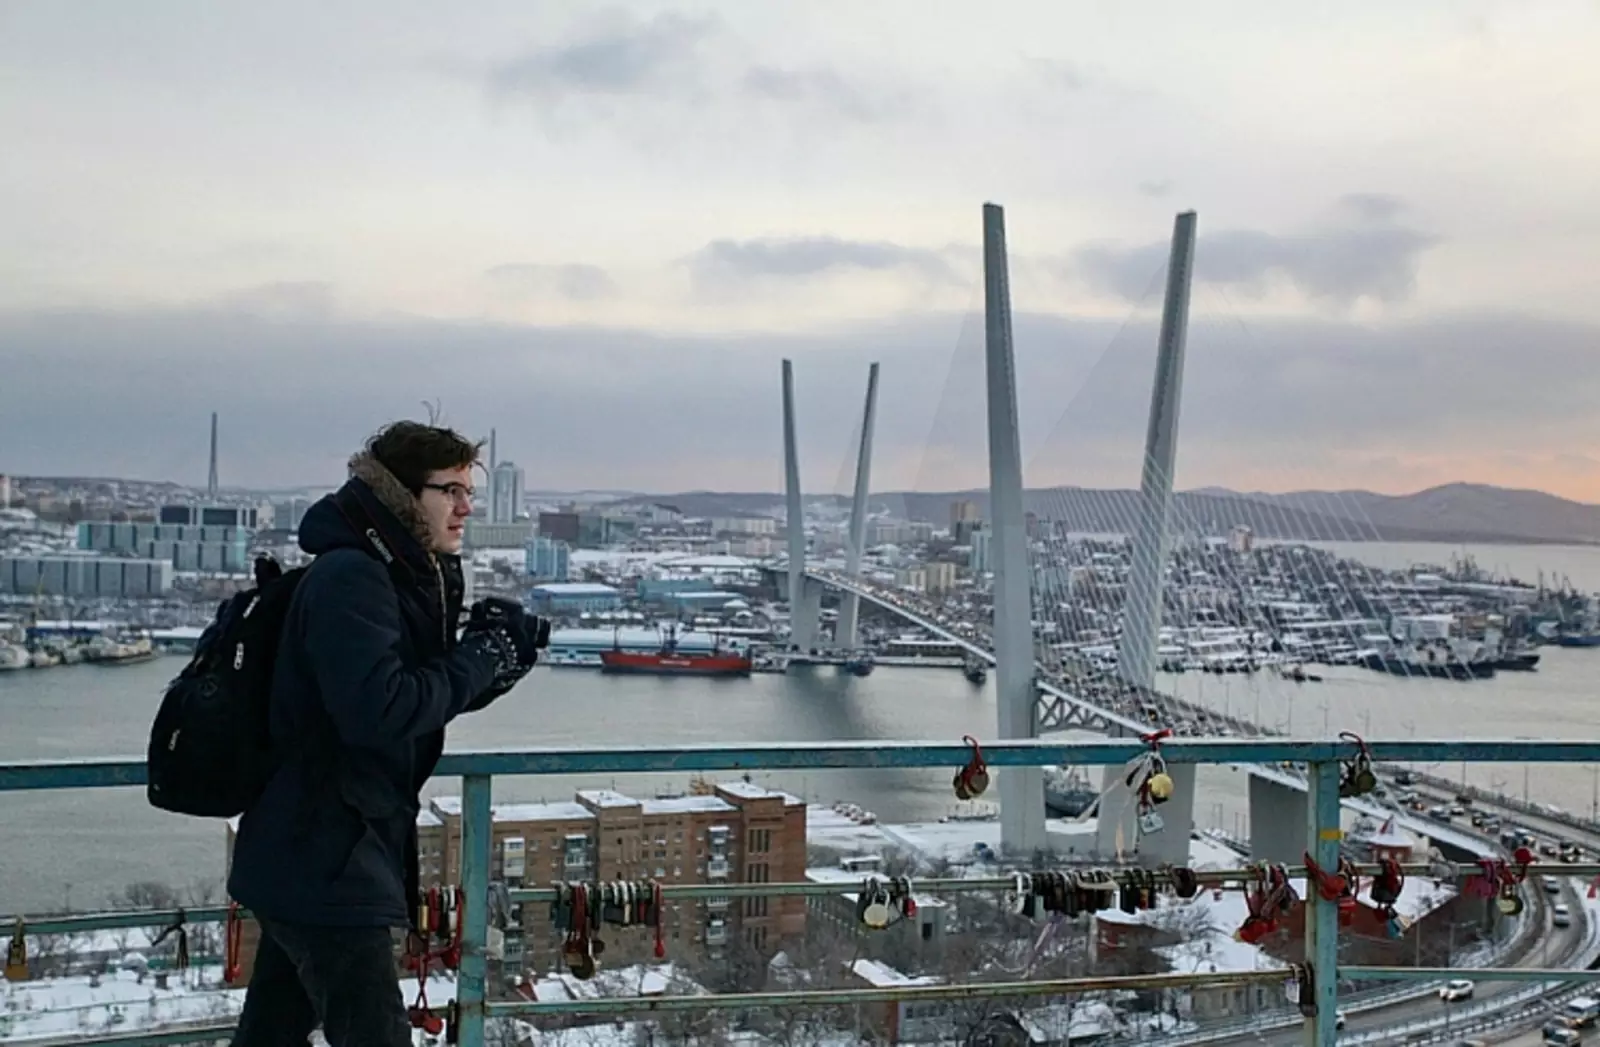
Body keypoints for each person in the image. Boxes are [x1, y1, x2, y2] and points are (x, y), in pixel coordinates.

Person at [228, 420, 547, 1046]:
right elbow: (382, 712)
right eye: (449, 490)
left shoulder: (395, 574)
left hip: (322, 851)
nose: (466, 506)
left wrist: (500, 662)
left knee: (272, 1034)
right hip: (327, 859)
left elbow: (413, 700)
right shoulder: (353, 578)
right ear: (402, 496)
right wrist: (478, 660)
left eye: (468, 491)